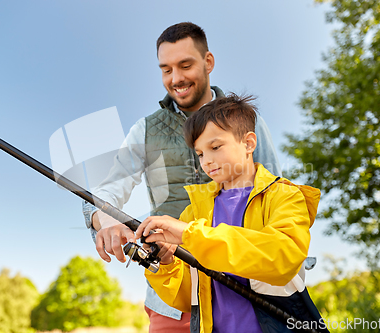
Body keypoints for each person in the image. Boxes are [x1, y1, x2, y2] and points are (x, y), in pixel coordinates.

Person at [83, 23, 281, 332]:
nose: (176, 78)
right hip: (174, 297)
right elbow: (107, 189)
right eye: (166, 69)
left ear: (208, 62)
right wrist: (102, 218)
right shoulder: (145, 130)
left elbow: (277, 194)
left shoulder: (247, 123)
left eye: (185, 65)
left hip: (248, 292)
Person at [135, 94, 325, 333]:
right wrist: (167, 263)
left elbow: (283, 257)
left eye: (215, 147)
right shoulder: (193, 212)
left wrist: (192, 235)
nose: (207, 161)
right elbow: (186, 299)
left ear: (248, 143)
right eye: (201, 153)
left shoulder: (284, 196)